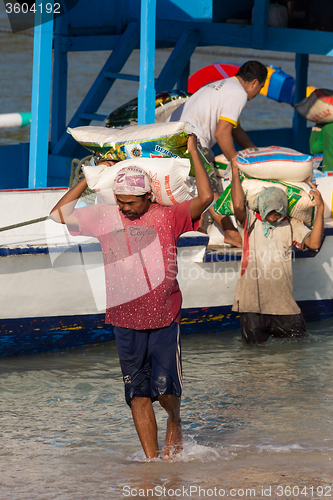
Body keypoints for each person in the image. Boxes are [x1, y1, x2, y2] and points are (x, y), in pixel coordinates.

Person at [50, 135, 213, 460]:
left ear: (148, 196)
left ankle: (175, 421)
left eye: (131, 202)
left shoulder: (169, 216)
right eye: (120, 200)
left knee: (166, 391)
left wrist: (194, 152)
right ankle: (152, 466)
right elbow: (59, 214)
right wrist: (89, 178)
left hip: (165, 316)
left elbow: (206, 196)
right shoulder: (104, 216)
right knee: (137, 395)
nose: (125, 207)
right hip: (124, 320)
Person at [169, 60, 267, 247]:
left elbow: (235, 130)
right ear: (254, 82)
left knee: (198, 187)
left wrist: (256, 152)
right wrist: (235, 162)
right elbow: (222, 133)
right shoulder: (239, 94)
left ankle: (201, 229)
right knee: (211, 189)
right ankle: (230, 232)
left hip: (173, 138)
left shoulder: (222, 85)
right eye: (260, 88)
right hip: (191, 141)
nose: (258, 93)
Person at [230, 157, 324, 344]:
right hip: (251, 306)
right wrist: (234, 171)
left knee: (299, 346)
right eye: (270, 212)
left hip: (284, 306)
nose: (273, 217)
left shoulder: (291, 224)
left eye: (278, 212)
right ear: (261, 207)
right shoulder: (250, 220)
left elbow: (313, 244)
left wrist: (320, 209)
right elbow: (239, 205)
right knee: (253, 358)